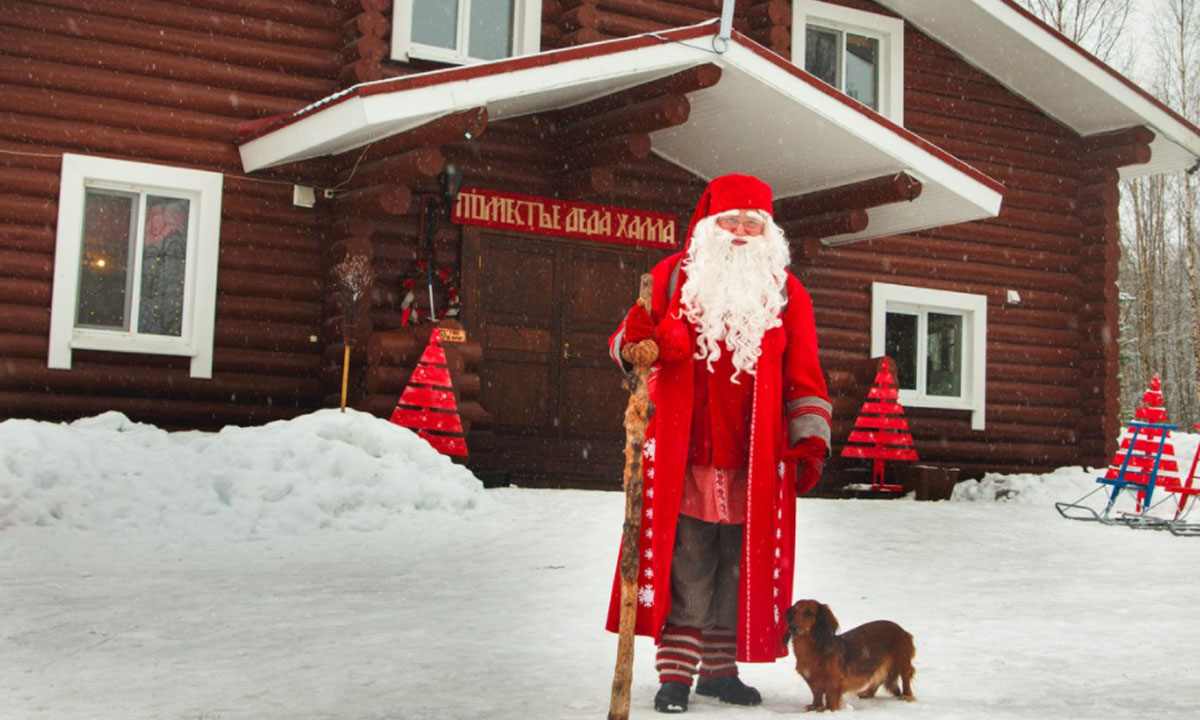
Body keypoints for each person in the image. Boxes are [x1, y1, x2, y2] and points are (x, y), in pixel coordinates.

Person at [605, 173, 832, 713]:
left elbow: (805, 375)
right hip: (684, 454)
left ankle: (720, 672)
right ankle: (677, 677)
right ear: (708, 226)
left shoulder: (786, 292)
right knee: (687, 561)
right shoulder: (669, 279)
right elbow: (624, 348)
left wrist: (810, 440)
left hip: (754, 460)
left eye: (753, 224)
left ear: (768, 233)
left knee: (739, 566)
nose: (740, 232)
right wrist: (638, 339)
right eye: (730, 221)